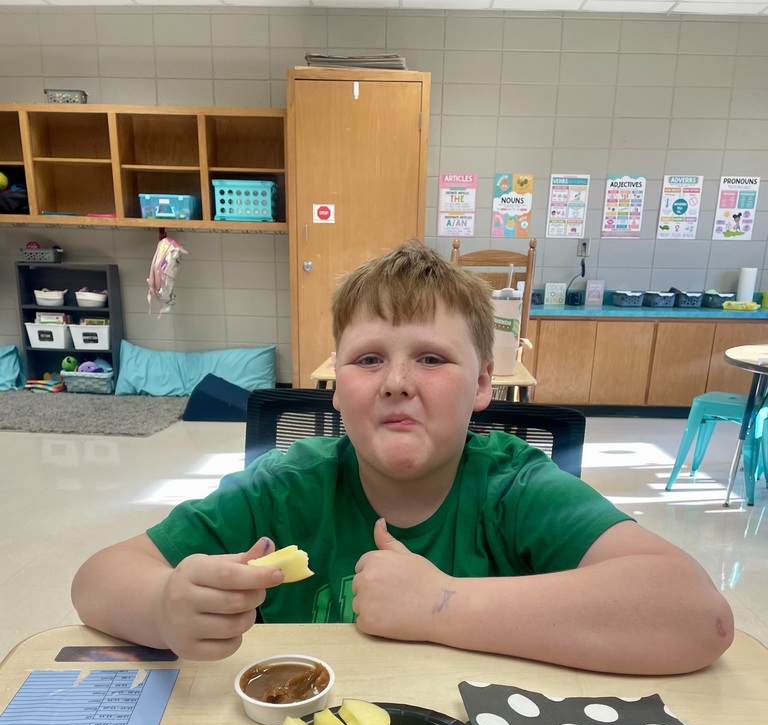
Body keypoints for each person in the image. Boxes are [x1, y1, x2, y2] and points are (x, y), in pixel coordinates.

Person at [72, 241, 733, 675]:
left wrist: (440, 604)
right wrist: (165, 605)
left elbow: (696, 615)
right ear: (336, 385)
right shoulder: (284, 488)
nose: (395, 382)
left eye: (431, 358)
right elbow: (96, 581)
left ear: (483, 385)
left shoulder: (515, 488)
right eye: (368, 359)